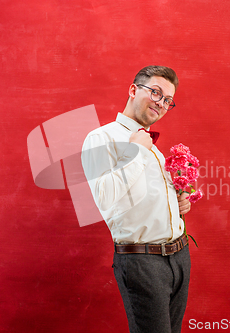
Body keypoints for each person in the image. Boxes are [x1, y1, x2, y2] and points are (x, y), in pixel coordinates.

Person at [81, 65, 192, 333]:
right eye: (155, 92)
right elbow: (106, 199)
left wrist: (178, 203)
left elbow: (143, 200)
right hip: (143, 263)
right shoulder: (101, 138)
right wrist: (137, 152)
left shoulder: (152, 147)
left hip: (178, 257)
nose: (161, 103)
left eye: (167, 100)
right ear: (133, 90)